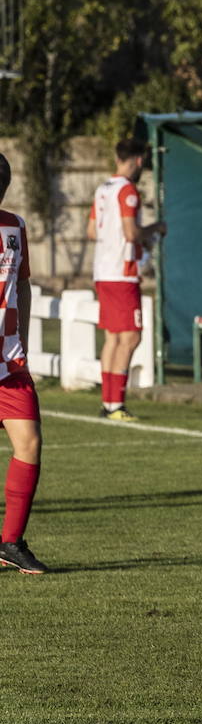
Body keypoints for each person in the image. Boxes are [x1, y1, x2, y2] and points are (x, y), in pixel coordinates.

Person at [87, 138, 166, 421]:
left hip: (102, 271)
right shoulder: (128, 191)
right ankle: (116, 405)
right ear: (138, 160)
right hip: (122, 272)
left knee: (113, 337)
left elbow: (92, 231)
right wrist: (156, 228)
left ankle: (108, 402)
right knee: (131, 337)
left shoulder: (103, 188)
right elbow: (131, 233)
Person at [0, 154, 47, 575]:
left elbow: (24, 286)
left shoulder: (14, 227)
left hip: (9, 363)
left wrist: (25, 341)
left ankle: (11, 542)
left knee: (29, 444)